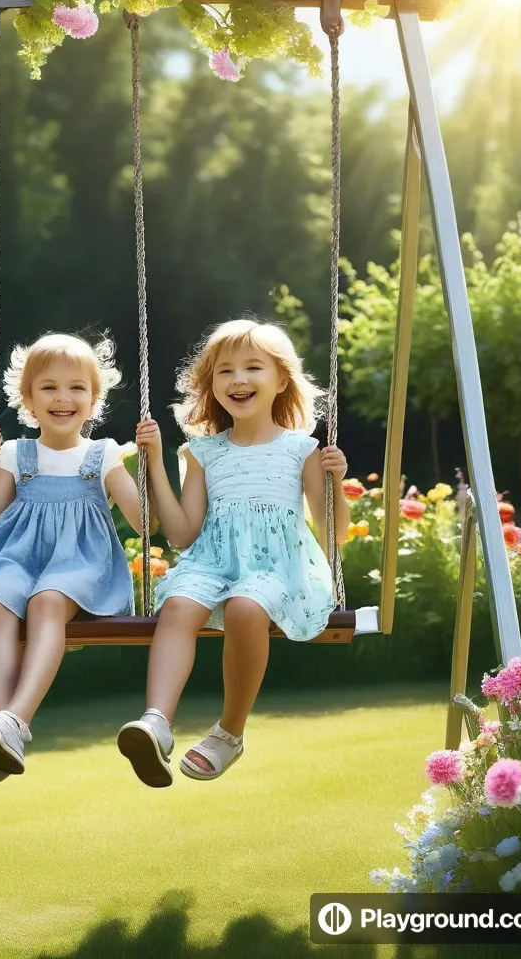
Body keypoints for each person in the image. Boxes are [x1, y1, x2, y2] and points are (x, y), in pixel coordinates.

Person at [117, 319, 348, 787]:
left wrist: (335, 483)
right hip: (214, 561)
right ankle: (156, 721)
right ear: (211, 385)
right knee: (179, 605)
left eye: (252, 368)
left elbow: (334, 533)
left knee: (246, 606)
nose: (238, 380)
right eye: (225, 371)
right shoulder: (203, 453)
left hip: (278, 567)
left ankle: (229, 733)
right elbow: (183, 534)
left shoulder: (301, 450)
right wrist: (156, 462)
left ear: (280, 380)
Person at [0, 333, 149, 783]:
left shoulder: (103, 452)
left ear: (94, 399)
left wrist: (148, 460)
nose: (63, 398)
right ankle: (0, 728)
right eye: (48, 387)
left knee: (47, 601)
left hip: (80, 564)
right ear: (27, 400)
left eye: (76, 388)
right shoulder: (14, 452)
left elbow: (144, 524)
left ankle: (13, 723)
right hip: (18, 557)